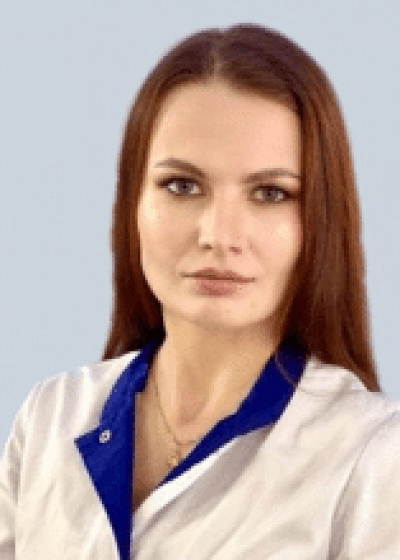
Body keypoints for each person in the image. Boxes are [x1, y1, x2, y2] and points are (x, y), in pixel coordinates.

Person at [1, 22, 399, 560]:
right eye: (182, 186)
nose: (217, 235)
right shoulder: (48, 419)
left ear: (320, 222)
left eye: (270, 193)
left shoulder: (372, 457)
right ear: (133, 205)